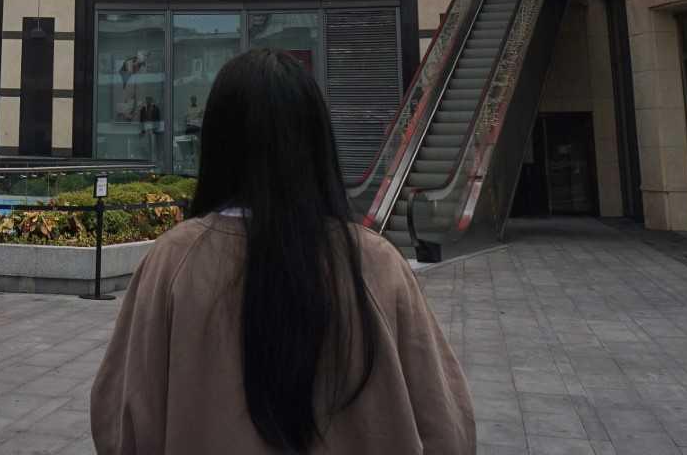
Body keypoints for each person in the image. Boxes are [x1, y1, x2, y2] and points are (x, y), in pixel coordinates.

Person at [91, 51, 474, 454]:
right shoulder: (376, 264)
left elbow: (119, 423)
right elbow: (447, 426)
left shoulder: (172, 263)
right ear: (317, 142)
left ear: (218, 145)